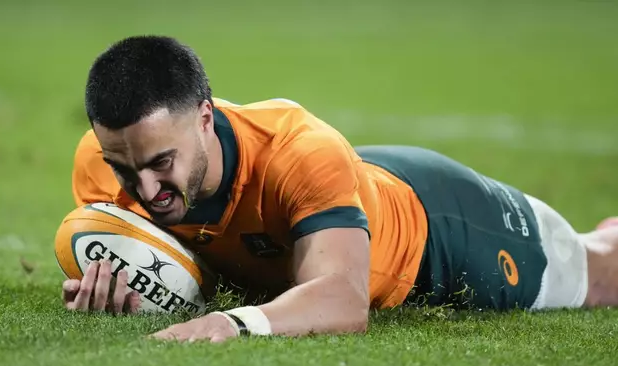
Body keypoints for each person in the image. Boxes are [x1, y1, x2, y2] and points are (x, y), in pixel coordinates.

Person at [62, 35, 618, 343]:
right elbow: (165, 256)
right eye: (124, 169)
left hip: (439, 235)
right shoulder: (100, 164)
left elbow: (343, 300)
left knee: (601, 274)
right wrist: (116, 285)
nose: (145, 189)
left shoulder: (299, 151)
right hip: (344, 194)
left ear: (205, 117)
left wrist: (230, 322)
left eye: (162, 163)